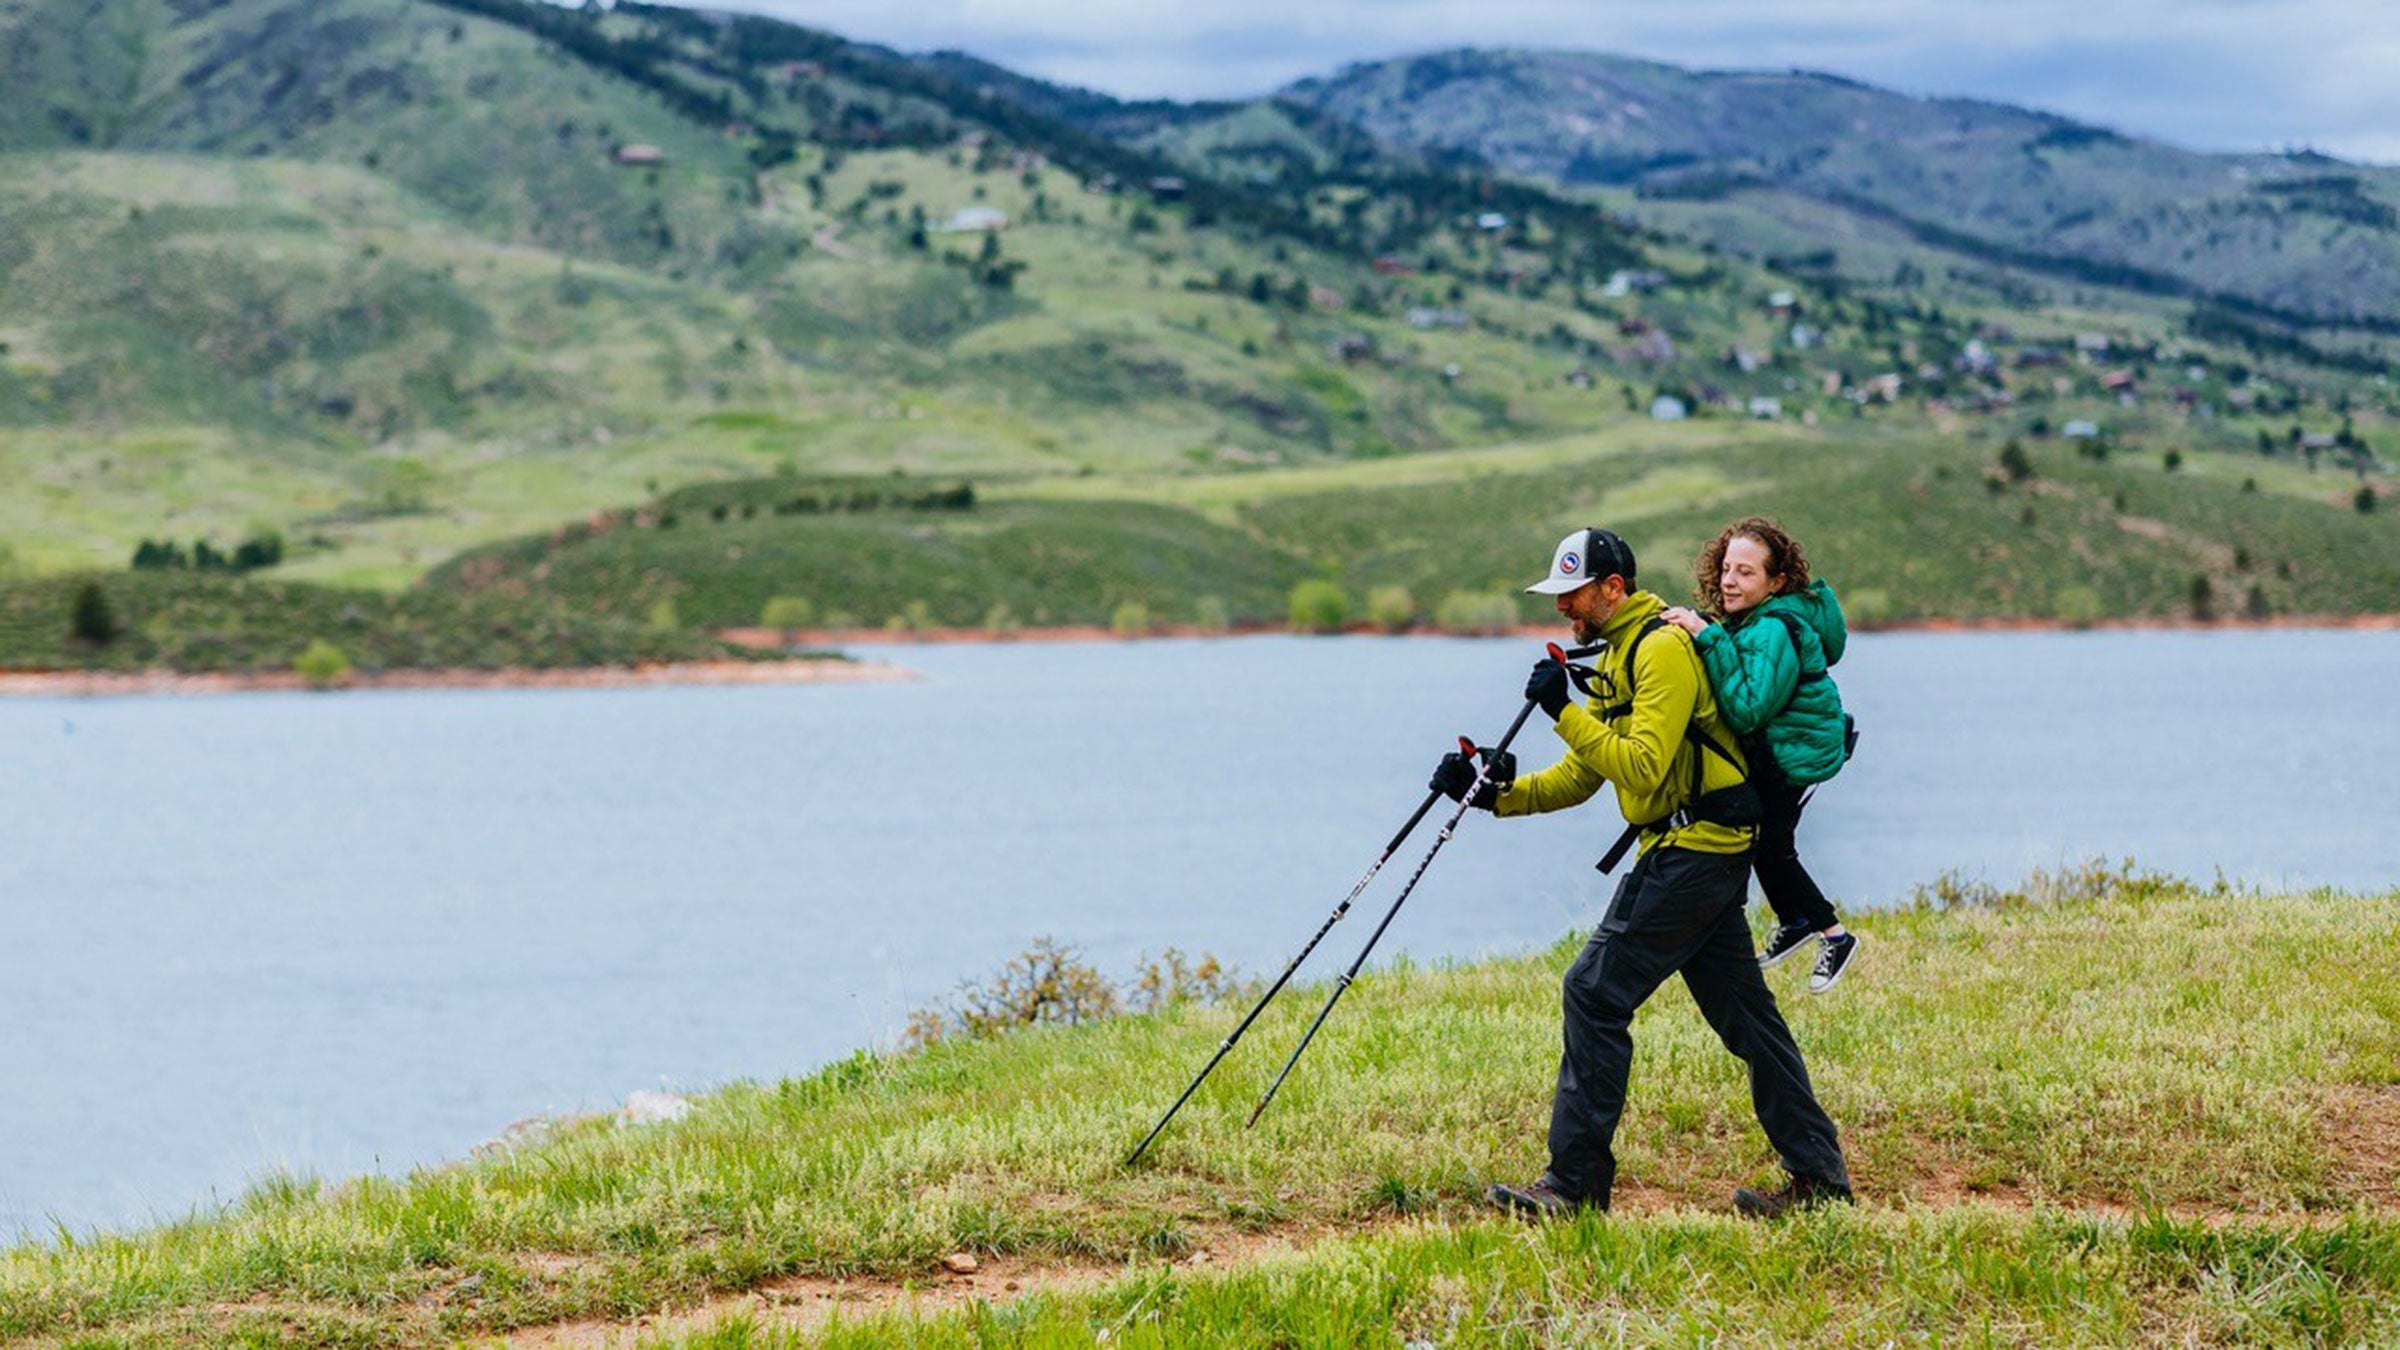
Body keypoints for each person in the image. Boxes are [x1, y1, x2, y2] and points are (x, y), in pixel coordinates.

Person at [1430, 526, 1852, 1219]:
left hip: (1698, 849)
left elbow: (1643, 766)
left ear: (1613, 588)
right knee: (1750, 1021)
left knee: (1593, 993)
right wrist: (1488, 795)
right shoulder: (1625, 650)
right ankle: (1822, 1182)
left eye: (1572, 595)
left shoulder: (1661, 650)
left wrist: (1562, 710)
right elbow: (1581, 776)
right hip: (1701, 846)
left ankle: (1574, 1187)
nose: (1563, 609)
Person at [1662, 517, 1860, 993]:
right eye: (1727, 568)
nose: (1730, 580)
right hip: (1786, 747)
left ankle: (1834, 935)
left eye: (1746, 572)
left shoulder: (1773, 626)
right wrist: (1711, 630)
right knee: (1762, 842)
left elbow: (1748, 709)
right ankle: (1793, 920)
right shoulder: (1752, 621)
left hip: (1793, 754)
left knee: (1771, 846)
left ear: (1777, 581)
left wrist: (1704, 636)